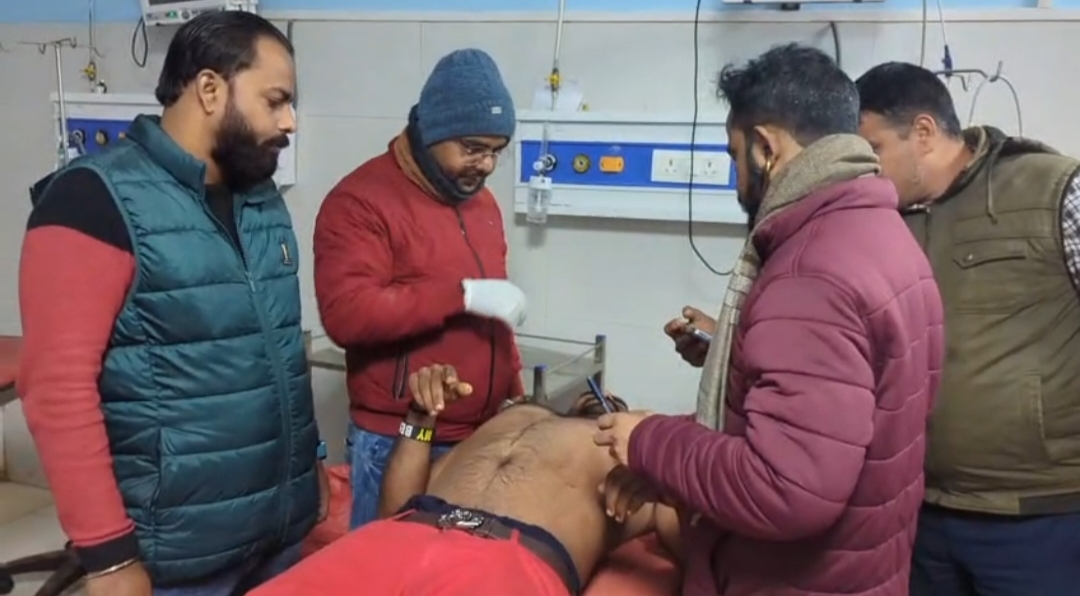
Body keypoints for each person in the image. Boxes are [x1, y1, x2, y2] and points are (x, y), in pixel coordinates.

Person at [593, 44, 945, 595]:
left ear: (765, 147)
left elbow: (786, 486)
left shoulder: (811, 272)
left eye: (735, 156)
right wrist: (672, 471)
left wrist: (648, 440)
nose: (736, 180)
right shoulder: (884, 235)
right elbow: (821, 432)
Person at [17, 11, 327, 596]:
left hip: (278, 533)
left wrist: (307, 467)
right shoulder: (91, 201)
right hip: (177, 558)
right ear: (209, 89)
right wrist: (108, 557)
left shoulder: (260, 199)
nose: (289, 121)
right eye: (276, 101)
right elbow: (57, 390)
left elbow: (278, 353)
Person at [856, 62, 1080, 596]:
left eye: (873, 150)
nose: (864, 170)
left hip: (1039, 516)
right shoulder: (881, 221)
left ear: (924, 132)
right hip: (922, 512)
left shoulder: (1052, 188)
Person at [313, 48, 528, 530]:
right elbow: (347, 313)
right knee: (388, 565)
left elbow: (495, 317)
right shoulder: (361, 202)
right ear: (432, 132)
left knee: (461, 567)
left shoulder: (482, 204)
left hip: (477, 434)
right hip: (400, 438)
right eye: (473, 148)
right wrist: (461, 294)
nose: (486, 164)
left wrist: (513, 391)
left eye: (497, 151)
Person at [249, 365, 681, 596]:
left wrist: (662, 469)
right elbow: (395, 509)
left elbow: (685, 534)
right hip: (400, 536)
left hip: (506, 557)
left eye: (612, 401)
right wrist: (419, 418)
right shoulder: (503, 423)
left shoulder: (629, 451)